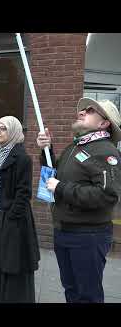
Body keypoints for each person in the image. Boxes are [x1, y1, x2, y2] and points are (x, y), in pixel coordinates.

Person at [37, 98, 121, 303]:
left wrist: (61, 188)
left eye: (90, 110)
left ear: (104, 124)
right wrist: (47, 149)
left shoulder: (106, 151)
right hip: (64, 230)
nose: (82, 112)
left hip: (88, 235)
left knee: (87, 294)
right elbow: (57, 172)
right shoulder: (76, 147)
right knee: (71, 290)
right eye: (83, 109)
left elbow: (107, 195)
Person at [0, 116, 40, 303]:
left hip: (12, 224)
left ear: (13, 131)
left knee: (9, 264)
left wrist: (10, 217)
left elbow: (23, 193)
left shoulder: (21, 158)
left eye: (3, 128)